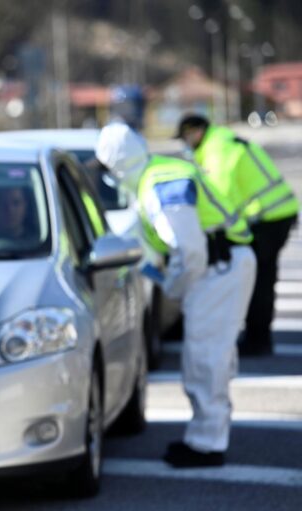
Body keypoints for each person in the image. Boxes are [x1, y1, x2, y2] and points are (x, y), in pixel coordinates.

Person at [95, 123, 256, 468]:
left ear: (117, 166)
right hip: (219, 266)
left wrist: (174, 289)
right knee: (211, 356)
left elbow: (190, 250)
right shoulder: (154, 177)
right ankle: (207, 436)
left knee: (206, 358)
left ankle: (206, 445)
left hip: (217, 268)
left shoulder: (159, 183)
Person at [177, 114, 299, 356]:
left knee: (256, 281)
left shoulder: (216, 150)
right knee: (261, 278)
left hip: (268, 219)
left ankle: (258, 341)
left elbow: (220, 199)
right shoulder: (221, 141)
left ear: (196, 131)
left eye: (185, 138)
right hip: (277, 214)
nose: (185, 144)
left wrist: (216, 232)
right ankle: (259, 337)